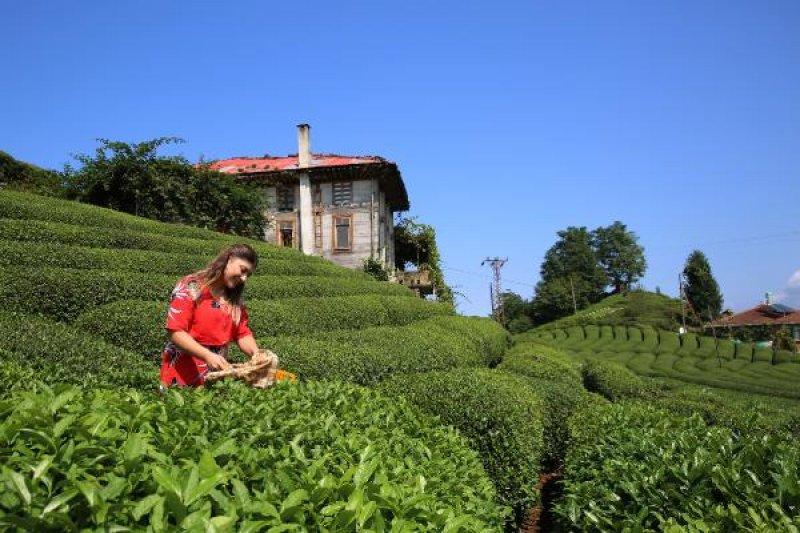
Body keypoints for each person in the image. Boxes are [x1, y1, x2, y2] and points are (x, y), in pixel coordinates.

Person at [160, 243, 261, 388]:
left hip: (215, 374)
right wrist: (207, 355)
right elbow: (175, 331)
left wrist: (257, 354)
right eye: (243, 270)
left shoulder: (235, 299)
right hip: (182, 370)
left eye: (248, 275)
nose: (244, 278)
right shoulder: (192, 286)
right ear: (229, 259)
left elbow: (241, 333)